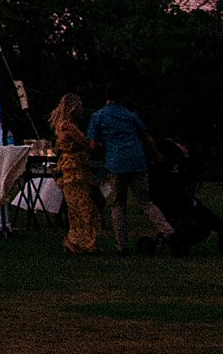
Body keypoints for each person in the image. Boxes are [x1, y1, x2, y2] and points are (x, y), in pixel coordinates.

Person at [85, 92, 172, 254]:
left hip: (116, 163)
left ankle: (122, 245)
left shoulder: (98, 116)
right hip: (137, 162)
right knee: (146, 202)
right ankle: (169, 232)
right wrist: (156, 154)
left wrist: (103, 146)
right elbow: (146, 137)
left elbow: (92, 144)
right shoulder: (130, 115)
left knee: (118, 204)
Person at [50, 94, 100, 255]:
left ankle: (79, 240)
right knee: (83, 206)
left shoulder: (61, 125)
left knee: (77, 206)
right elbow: (85, 144)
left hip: (71, 168)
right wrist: (94, 144)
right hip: (74, 169)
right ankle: (81, 241)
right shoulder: (68, 127)